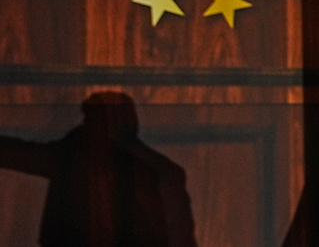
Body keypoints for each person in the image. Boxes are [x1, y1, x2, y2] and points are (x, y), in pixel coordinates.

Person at [0, 91, 197, 247]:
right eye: (91, 120)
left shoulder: (156, 172)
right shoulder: (74, 153)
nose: (92, 127)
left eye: (95, 120)